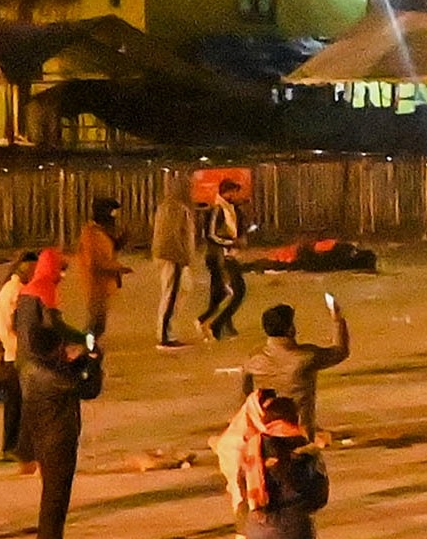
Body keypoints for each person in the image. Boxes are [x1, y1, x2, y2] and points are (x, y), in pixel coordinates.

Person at [218, 388, 329, 539]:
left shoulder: (250, 451)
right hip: (293, 537)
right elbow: (319, 498)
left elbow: (244, 490)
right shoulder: (305, 454)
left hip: (257, 536)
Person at [14, 266, 95, 539]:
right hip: (58, 438)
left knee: (52, 494)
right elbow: (88, 388)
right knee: (55, 498)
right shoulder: (52, 375)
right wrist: (90, 361)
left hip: (42, 429)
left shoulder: (34, 367)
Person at [246, 297, 355, 441]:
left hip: (263, 432)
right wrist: (337, 319)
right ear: (291, 329)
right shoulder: (306, 357)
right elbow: (341, 351)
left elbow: (244, 396)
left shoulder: (253, 358)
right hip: (299, 434)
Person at [150, 183, 202, 346]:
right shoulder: (173, 208)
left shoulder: (174, 207)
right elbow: (172, 235)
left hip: (174, 256)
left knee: (184, 288)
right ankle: (165, 335)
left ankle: (168, 329)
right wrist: (181, 256)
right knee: (171, 295)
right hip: (173, 256)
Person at [197, 182, 250, 339]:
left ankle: (212, 322)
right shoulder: (217, 210)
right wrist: (232, 243)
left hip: (229, 256)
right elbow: (211, 235)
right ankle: (215, 324)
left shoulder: (233, 210)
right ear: (227, 192)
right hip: (219, 257)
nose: (236, 196)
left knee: (221, 293)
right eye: (234, 192)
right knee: (237, 291)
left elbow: (237, 230)